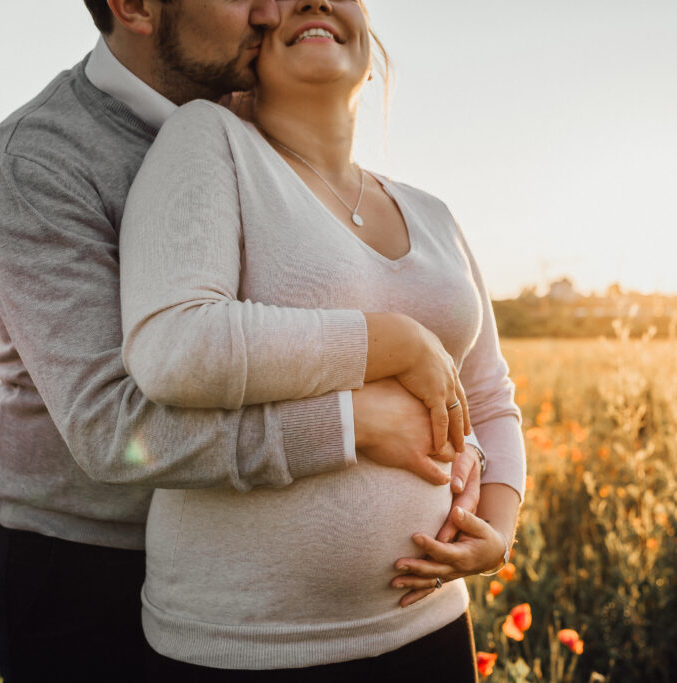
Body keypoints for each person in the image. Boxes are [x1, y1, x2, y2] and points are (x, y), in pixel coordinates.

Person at [0, 1, 485, 680]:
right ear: (135, 8)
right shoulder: (37, 161)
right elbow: (110, 429)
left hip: (265, 574)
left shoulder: (256, 113)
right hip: (87, 564)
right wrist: (349, 422)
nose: (272, 9)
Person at [117, 0, 526, 680]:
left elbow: (490, 394)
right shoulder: (210, 140)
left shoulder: (433, 213)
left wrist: (499, 526)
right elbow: (176, 344)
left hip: (432, 625)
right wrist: (390, 341)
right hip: (246, 647)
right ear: (252, 40)